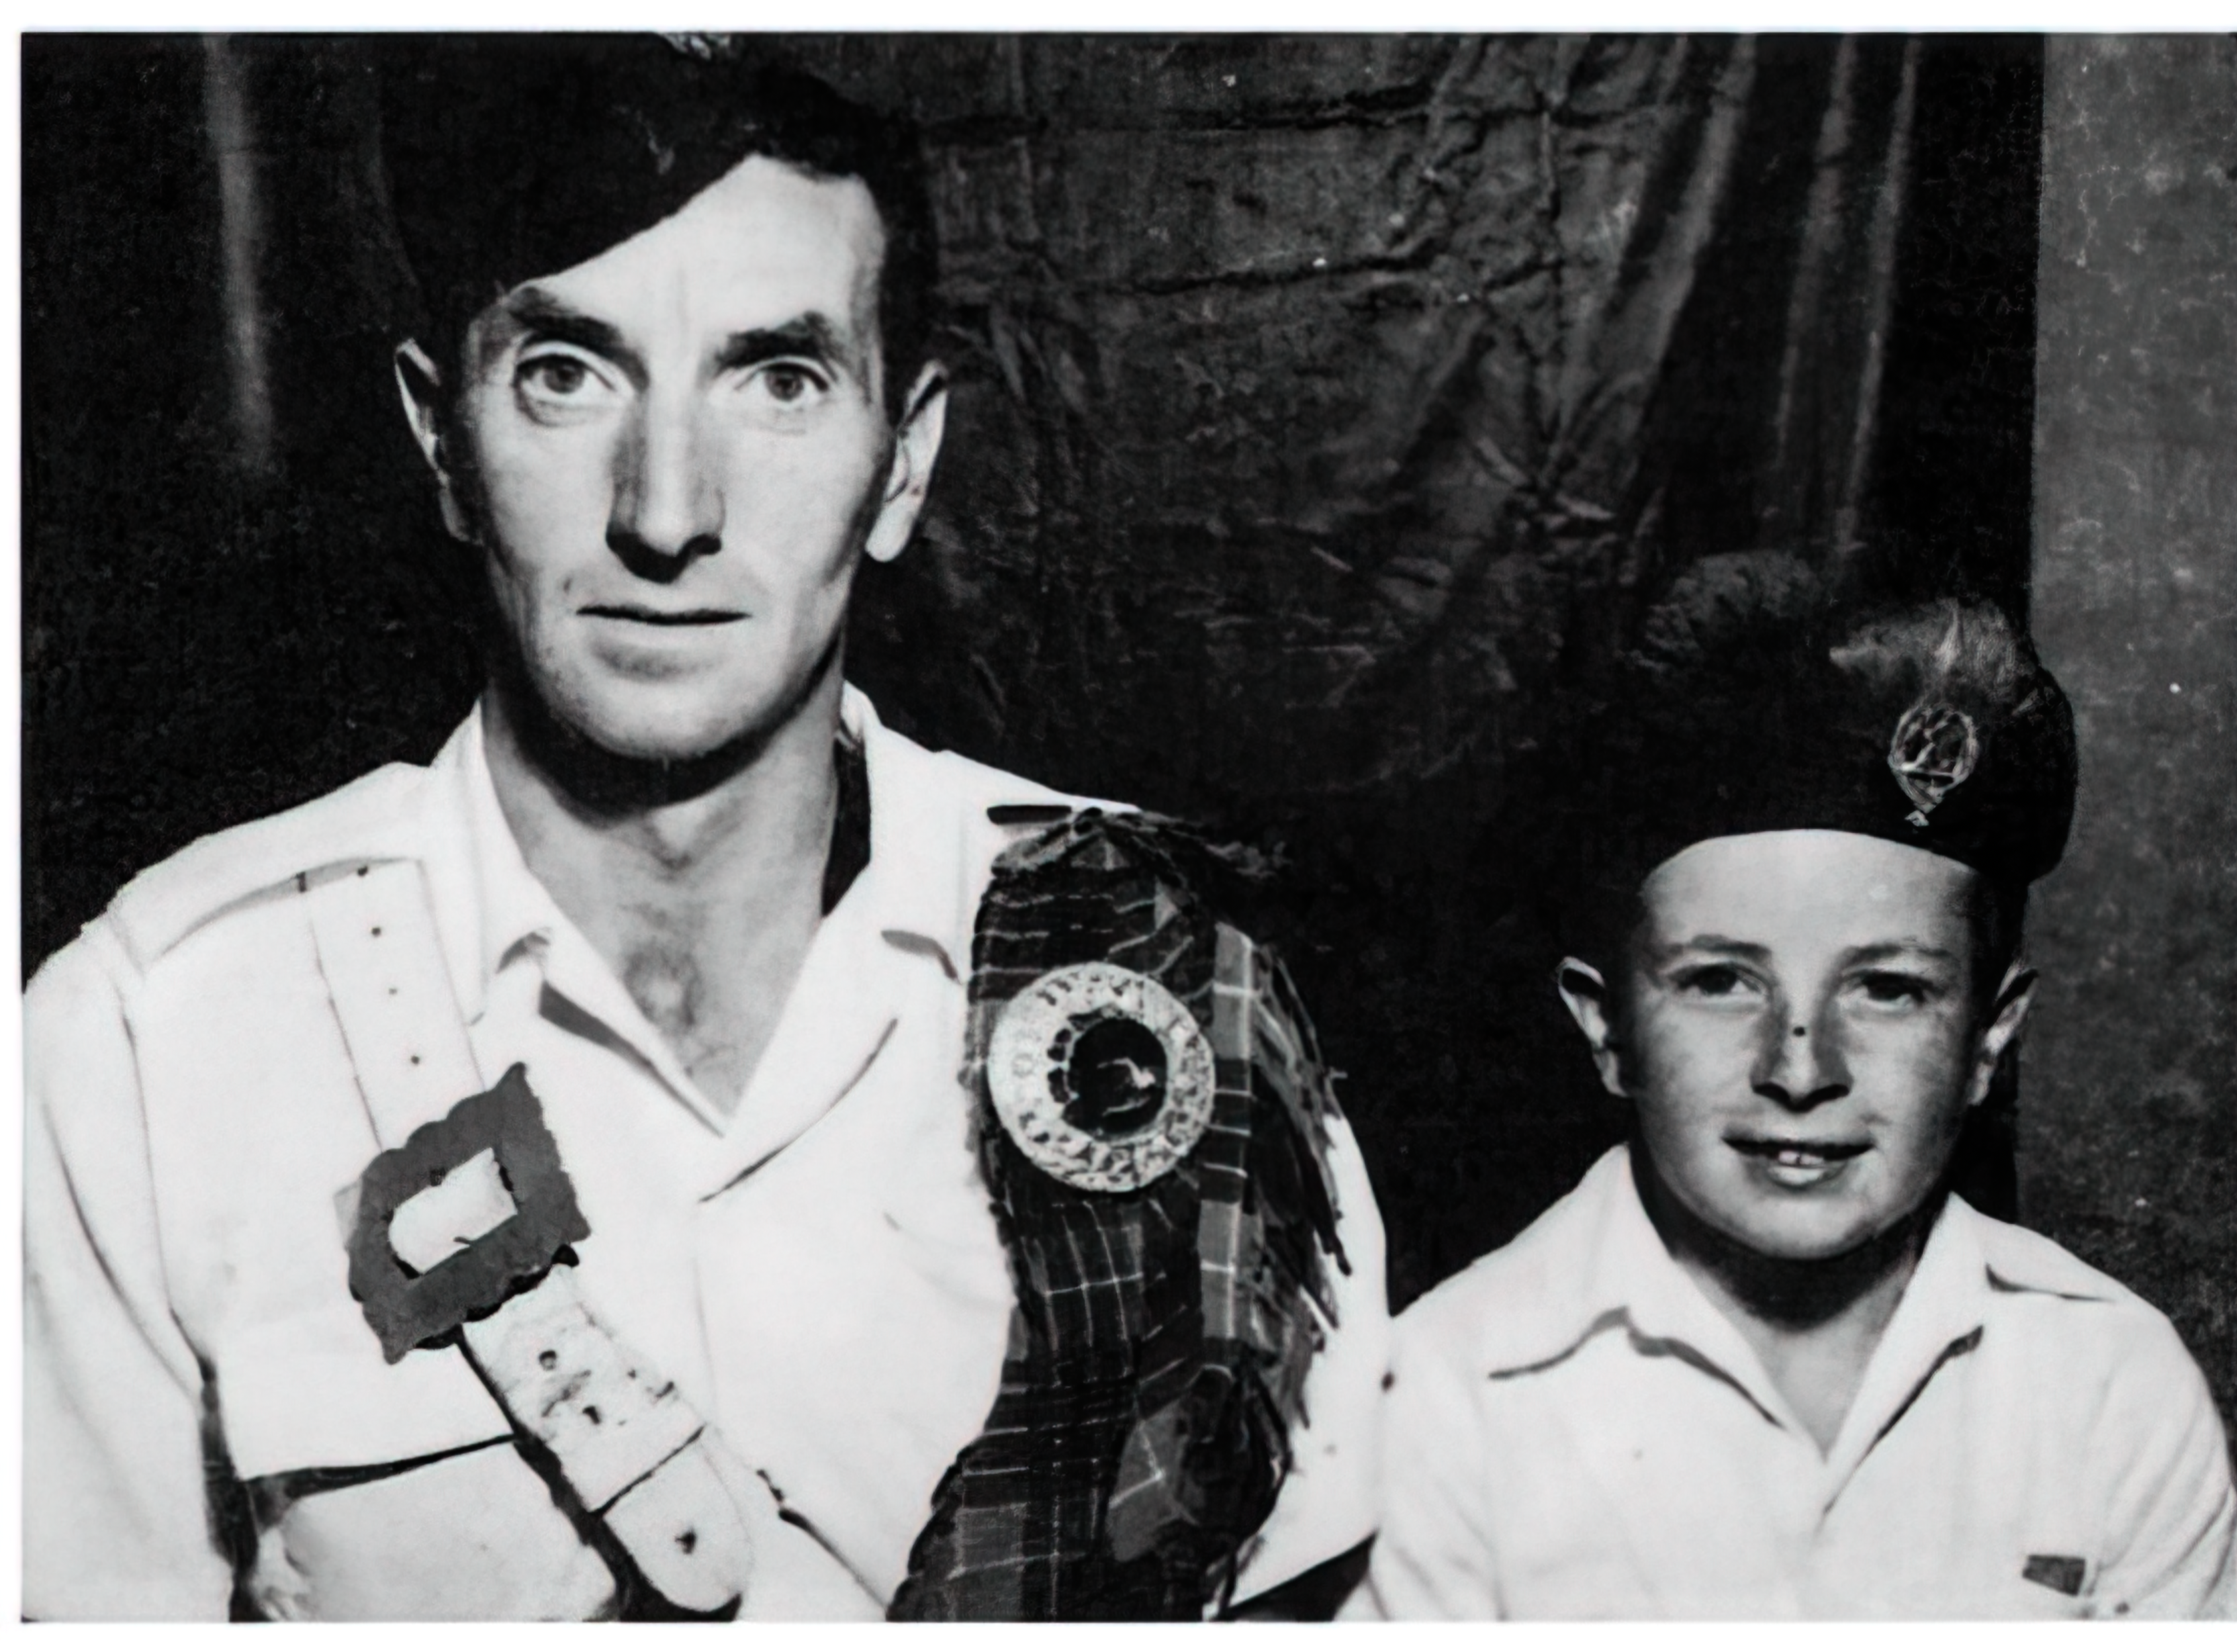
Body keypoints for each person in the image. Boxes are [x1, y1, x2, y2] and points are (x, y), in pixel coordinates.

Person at [24, 36, 1386, 1621]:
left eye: (781, 378)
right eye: (566, 373)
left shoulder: (1161, 970)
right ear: (440, 444)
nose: (666, 513)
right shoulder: (149, 1037)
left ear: (906, 461)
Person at [1355, 551, 2237, 1620]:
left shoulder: (2110, 1384)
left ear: (1989, 1039)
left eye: (1887, 989)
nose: (1799, 1069)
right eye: (1722, 981)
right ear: (1606, 1029)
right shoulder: (1448, 1397)